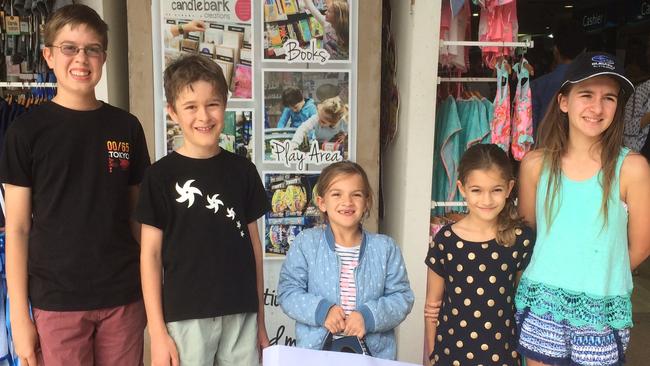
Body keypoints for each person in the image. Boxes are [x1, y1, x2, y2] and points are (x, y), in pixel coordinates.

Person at [0, 4, 151, 365]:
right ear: (48, 55)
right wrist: (19, 317)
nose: (81, 58)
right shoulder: (25, 132)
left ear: (103, 56)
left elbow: (138, 221)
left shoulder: (126, 127)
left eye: (92, 48)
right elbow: (18, 229)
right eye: (69, 47)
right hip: (57, 301)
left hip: (123, 298)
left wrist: (158, 284)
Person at [515, 52, 650, 366]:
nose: (597, 108)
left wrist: (597, 274)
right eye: (586, 95)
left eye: (609, 98)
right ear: (564, 101)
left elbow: (641, 246)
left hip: (600, 309)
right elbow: (529, 230)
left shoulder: (632, 168)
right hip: (542, 305)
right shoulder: (536, 164)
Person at [137, 54, 270, 366]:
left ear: (225, 105)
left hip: (241, 313)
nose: (204, 116)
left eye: (212, 104)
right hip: (185, 318)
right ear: (172, 112)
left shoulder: (243, 170)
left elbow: (254, 248)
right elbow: (150, 257)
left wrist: (261, 320)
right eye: (191, 106)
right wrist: (157, 334)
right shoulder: (159, 176)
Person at [277, 161, 414, 360]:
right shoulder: (306, 244)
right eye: (337, 194)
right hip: (316, 355)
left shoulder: (385, 248)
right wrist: (322, 311)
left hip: (372, 356)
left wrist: (368, 317)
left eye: (356, 194)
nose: (347, 202)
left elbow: (402, 297)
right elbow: (288, 292)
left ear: (366, 201)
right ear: (322, 202)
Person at [424, 143, 535, 365]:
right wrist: (432, 356)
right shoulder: (445, 241)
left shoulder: (520, 239)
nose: (486, 200)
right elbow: (432, 307)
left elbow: (525, 305)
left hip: (502, 355)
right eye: (477, 190)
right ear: (462, 188)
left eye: (496, 190)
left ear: (509, 187)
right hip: (450, 355)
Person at [531, 19, 586, 136]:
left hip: (545, 150)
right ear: (584, 51)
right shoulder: (593, 85)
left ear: (555, 50)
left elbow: (531, 129)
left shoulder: (537, 86)